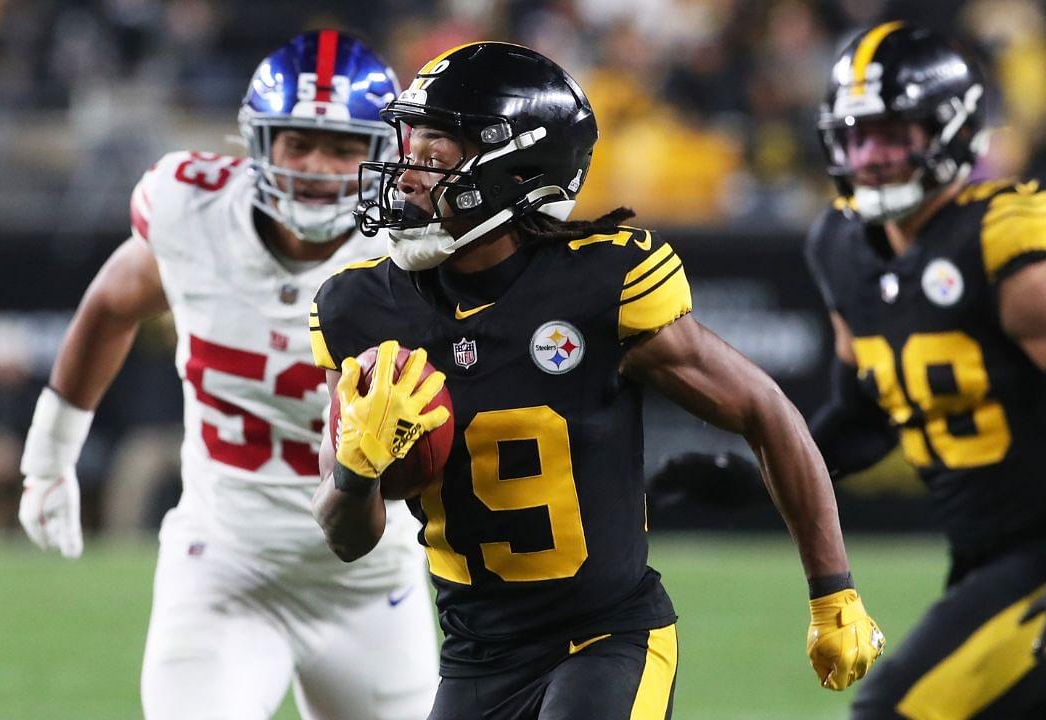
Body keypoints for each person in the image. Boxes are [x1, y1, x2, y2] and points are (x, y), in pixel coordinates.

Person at [309, 41, 884, 720]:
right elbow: (346, 537)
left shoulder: (600, 285)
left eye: (436, 153)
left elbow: (765, 411)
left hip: (608, 639)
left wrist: (833, 591)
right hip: (475, 660)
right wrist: (356, 469)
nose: (406, 175)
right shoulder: (359, 309)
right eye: (410, 145)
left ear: (515, 170)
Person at [17, 31, 439, 720]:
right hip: (224, 568)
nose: (317, 166)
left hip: (372, 582)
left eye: (341, 147)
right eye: (297, 142)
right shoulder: (195, 213)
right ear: (257, 143)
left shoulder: (419, 249)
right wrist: (50, 453)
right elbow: (111, 303)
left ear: (381, 155)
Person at [805, 22, 1046, 719]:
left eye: (892, 134)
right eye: (856, 136)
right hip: (983, 559)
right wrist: (754, 475)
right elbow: (861, 421)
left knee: (891, 711)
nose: (871, 156)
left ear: (949, 131)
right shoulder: (841, 246)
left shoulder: (1001, 240)